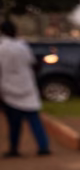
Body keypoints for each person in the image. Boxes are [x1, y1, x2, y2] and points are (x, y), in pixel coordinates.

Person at [0, 19, 51, 157]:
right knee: (34, 119)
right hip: (26, 85)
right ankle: (43, 146)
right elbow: (33, 63)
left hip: (8, 87)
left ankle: (14, 148)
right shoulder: (23, 47)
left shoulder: (2, 48)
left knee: (14, 123)